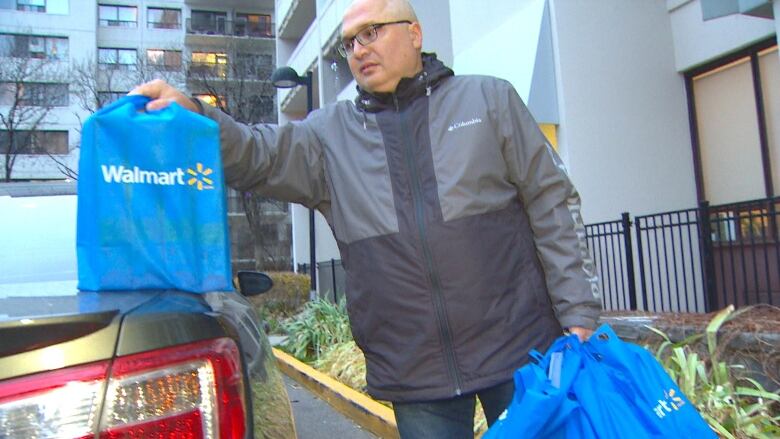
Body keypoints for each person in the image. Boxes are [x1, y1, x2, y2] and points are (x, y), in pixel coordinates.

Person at [130, 0, 601, 436]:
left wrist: (578, 311)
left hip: (520, 348)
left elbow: (552, 203)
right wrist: (196, 114)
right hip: (415, 369)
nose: (359, 50)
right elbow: (258, 155)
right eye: (349, 43)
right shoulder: (327, 135)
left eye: (372, 32)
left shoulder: (489, 101)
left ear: (415, 33)